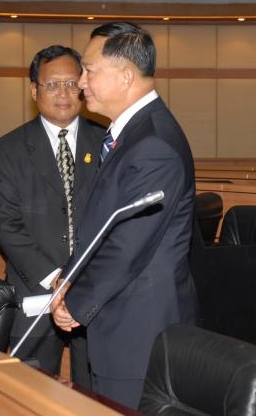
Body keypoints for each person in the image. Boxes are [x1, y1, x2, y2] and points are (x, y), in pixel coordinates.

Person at [51, 22, 196, 409]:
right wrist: (69, 277)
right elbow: (101, 225)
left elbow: (127, 245)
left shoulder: (153, 144)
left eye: (88, 70)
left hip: (139, 327)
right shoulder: (130, 133)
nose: (81, 82)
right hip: (120, 318)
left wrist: (76, 302)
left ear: (126, 75)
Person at [0, 45, 104, 387]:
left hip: (95, 290)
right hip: (35, 290)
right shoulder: (8, 149)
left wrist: (81, 280)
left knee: (93, 394)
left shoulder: (107, 143)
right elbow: (6, 225)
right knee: (29, 390)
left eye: (71, 83)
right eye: (52, 85)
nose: (63, 94)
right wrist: (56, 279)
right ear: (34, 90)